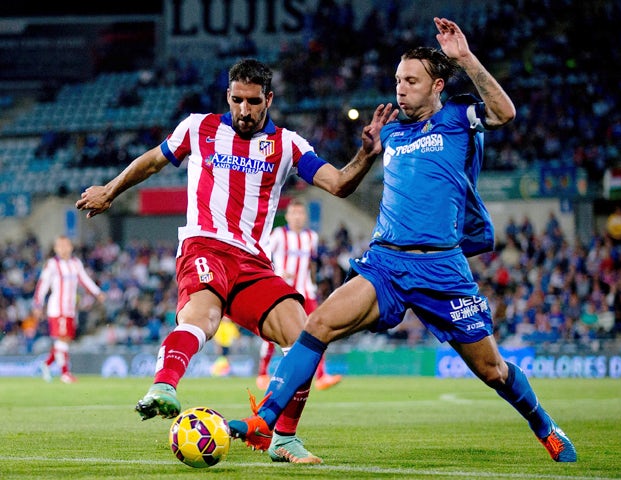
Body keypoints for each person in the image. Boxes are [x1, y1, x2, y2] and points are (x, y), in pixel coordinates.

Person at [229, 17, 577, 463]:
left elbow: (505, 113)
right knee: (317, 326)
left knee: (493, 370)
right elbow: (353, 175)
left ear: (436, 86)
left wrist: (465, 58)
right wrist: (366, 151)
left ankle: (544, 426)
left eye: (411, 80)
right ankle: (266, 423)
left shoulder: (458, 117)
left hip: (443, 268)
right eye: (397, 80)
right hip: (386, 265)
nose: (400, 88)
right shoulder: (391, 132)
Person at [75, 58, 397, 464]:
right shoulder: (198, 127)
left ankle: (283, 439)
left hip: (253, 263)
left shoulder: (288, 145)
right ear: (228, 95)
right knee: (203, 319)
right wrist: (110, 189)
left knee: (304, 337)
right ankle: (163, 386)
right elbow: (153, 161)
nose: (244, 110)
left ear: (269, 99)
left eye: (253, 101)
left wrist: (366, 155)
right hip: (204, 246)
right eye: (236, 100)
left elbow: (338, 184)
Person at [256, 198, 342, 391]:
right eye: (294, 213)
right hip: (281, 290)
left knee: (319, 328)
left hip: (305, 291)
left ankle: (322, 375)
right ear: (287, 216)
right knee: (272, 331)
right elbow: (262, 255)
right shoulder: (278, 235)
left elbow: (311, 264)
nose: (297, 217)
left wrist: (312, 282)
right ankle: (262, 373)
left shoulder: (311, 237)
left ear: (305, 216)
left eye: (301, 213)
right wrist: (278, 272)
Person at [33, 235, 105, 383]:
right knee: (63, 338)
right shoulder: (52, 264)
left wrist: (97, 292)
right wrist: (37, 304)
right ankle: (65, 373)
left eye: (66, 245)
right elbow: (43, 284)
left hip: (70, 308)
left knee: (66, 338)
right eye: (60, 246)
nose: (63, 249)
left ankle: (46, 364)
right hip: (57, 308)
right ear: (55, 249)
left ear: (71, 247)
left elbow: (84, 279)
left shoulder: (75, 263)